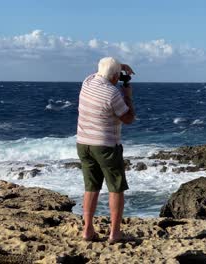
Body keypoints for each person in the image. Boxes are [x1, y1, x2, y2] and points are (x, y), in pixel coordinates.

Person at [76, 57, 135, 243]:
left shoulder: (87, 82)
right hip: (106, 146)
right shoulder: (113, 94)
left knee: (91, 187)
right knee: (116, 189)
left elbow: (103, 72)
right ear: (116, 76)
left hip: (83, 143)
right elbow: (128, 118)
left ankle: (87, 230)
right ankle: (115, 234)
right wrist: (127, 95)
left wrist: (118, 67)